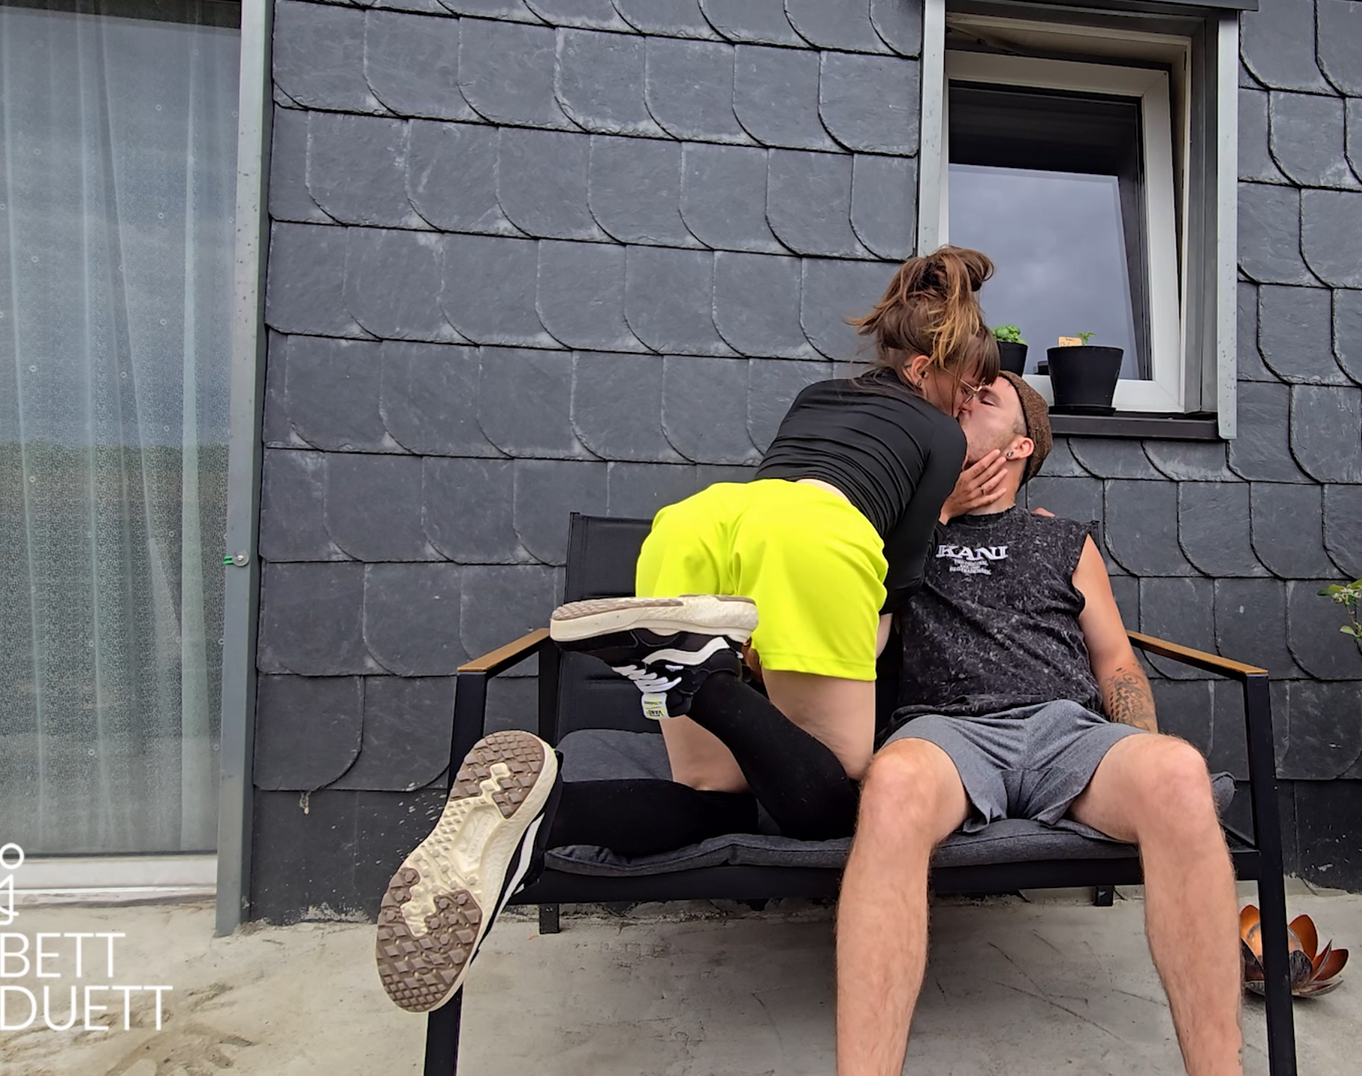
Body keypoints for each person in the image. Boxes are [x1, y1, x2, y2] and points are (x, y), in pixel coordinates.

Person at [375, 247, 1004, 1014]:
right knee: (836, 799)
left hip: (697, 526)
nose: (966, 404)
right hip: (816, 536)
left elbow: (783, 494)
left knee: (714, 794)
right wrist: (875, 619)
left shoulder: (815, 395)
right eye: (965, 389)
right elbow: (896, 573)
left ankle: (546, 817)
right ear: (923, 369)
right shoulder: (941, 436)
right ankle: (705, 680)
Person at [834, 373, 1243, 1075]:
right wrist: (926, 520)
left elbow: (1116, 661)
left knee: (1178, 772)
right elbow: (857, 642)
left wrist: (1140, 754)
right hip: (948, 732)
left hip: (1066, 732)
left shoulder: (1063, 540)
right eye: (959, 393)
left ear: (1021, 445)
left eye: (985, 397)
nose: (964, 398)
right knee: (893, 784)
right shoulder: (900, 533)